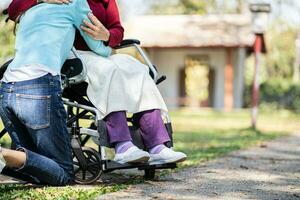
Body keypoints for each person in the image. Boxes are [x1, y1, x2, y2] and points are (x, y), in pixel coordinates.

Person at [7, 0, 187, 165]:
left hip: (103, 50)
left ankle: (157, 146)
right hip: (74, 56)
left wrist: (108, 35)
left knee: (137, 69)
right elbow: (14, 9)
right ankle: (122, 146)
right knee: (108, 71)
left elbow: (117, 30)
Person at [0, 0, 111, 185]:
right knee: (64, 173)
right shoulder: (76, 2)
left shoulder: (29, 6)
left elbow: (11, 8)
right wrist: (109, 47)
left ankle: (4, 157)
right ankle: (2, 154)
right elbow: (96, 45)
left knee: (32, 166)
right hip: (38, 85)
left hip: (6, 89)